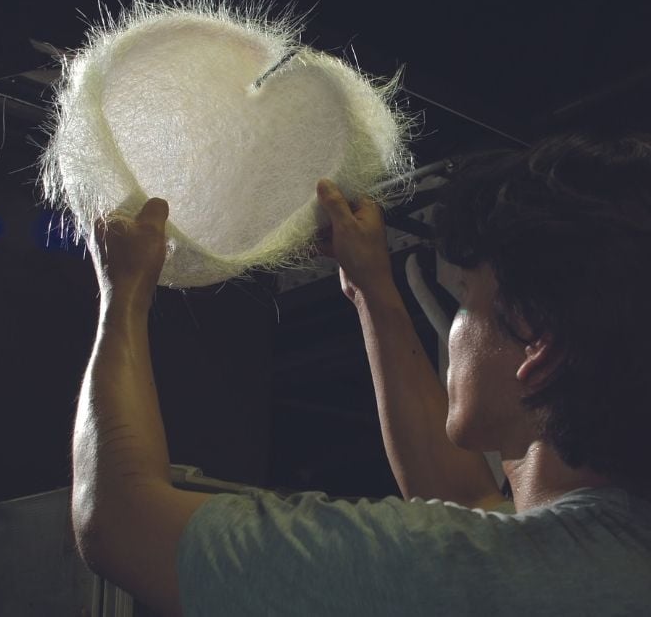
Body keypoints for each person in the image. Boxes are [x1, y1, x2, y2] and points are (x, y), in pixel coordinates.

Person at [70, 132, 651, 616]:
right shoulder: (608, 556)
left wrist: (123, 294)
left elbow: (123, 524)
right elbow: (471, 503)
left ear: (537, 346)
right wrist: (370, 285)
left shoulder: (491, 576)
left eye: (465, 297)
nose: (457, 321)